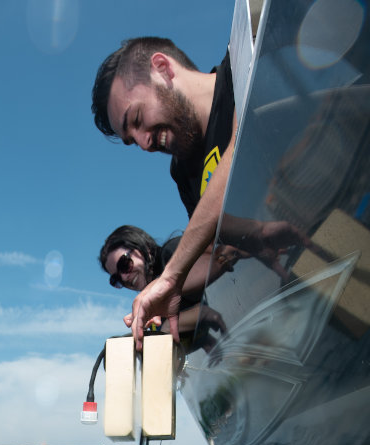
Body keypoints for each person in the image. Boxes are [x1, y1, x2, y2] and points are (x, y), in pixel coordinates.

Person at [92, 37, 310, 348]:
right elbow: (215, 237)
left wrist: (171, 277)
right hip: (303, 299)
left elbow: (240, 141)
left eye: (138, 119)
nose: (144, 144)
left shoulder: (241, 65)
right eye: (132, 140)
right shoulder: (183, 173)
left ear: (163, 68)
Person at [99, 225, 230, 352]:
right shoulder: (154, 314)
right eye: (116, 279)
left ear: (144, 248)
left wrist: (198, 315)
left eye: (124, 264)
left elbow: (221, 259)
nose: (124, 277)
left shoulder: (172, 254)